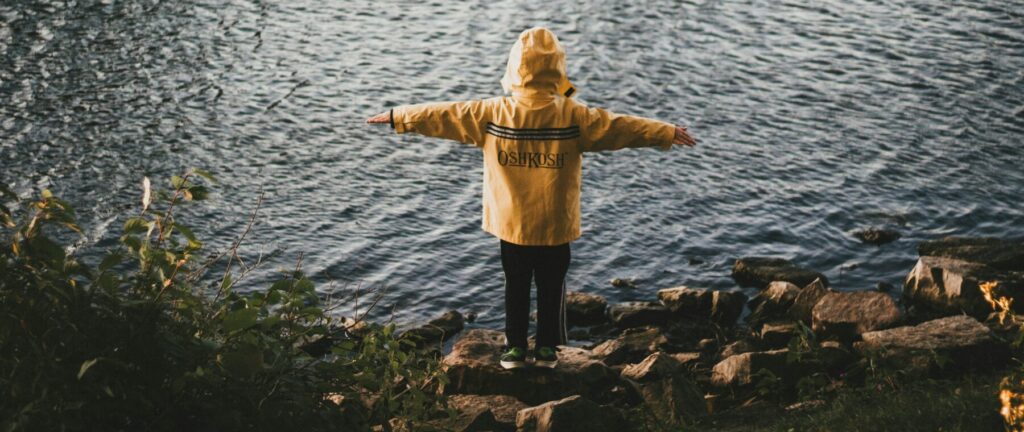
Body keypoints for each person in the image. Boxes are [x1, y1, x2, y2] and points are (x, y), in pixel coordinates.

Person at [367, 27, 696, 370]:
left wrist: (398, 116)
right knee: (552, 287)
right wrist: (664, 131)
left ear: (513, 68)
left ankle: (514, 350)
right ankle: (547, 350)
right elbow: (620, 126)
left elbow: (444, 114)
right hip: (555, 223)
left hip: (513, 225)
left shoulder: (492, 113)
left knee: (516, 286)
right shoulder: (574, 114)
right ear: (557, 68)